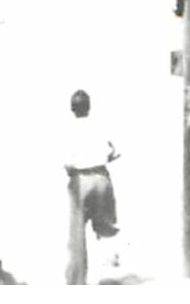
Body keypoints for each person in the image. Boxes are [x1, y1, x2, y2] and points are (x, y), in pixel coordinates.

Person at [64, 88, 121, 285]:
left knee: (77, 236)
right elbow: (115, 152)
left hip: (81, 180)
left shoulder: (69, 130)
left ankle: (77, 284)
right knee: (107, 226)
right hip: (102, 177)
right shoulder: (100, 126)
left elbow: (67, 163)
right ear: (89, 107)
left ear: (72, 109)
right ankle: (112, 274)